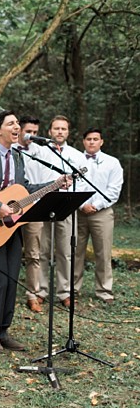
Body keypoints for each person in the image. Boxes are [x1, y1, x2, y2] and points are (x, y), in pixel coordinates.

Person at [0, 110, 66, 352]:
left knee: (11, 280)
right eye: (11, 123)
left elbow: (23, 190)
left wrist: (54, 185)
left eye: (18, 122)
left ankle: (3, 331)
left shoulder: (18, 157)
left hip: (12, 229)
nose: (17, 127)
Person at [37, 115, 86, 308]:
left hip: (67, 205)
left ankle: (64, 291)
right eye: (56, 128)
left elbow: (82, 183)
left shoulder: (76, 155)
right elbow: (33, 176)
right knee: (43, 250)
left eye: (63, 129)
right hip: (44, 203)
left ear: (68, 132)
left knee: (65, 250)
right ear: (49, 132)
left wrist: (73, 200)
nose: (59, 132)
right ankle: (40, 290)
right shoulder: (40, 153)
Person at [74, 128, 123, 304]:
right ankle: (72, 289)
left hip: (102, 213)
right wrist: (81, 205)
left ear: (101, 142)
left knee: (103, 252)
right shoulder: (75, 160)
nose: (92, 142)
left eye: (95, 139)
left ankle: (104, 290)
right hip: (78, 212)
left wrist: (96, 206)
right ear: (83, 141)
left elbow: (114, 190)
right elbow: (73, 184)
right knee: (75, 252)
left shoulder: (113, 163)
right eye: (88, 139)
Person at [13, 116, 46, 313]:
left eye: (35, 132)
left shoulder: (41, 152)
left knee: (34, 254)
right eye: (29, 131)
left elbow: (44, 179)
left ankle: (32, 295)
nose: (32, 136)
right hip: (11, 207)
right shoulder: (10, 150)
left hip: (34, 207)